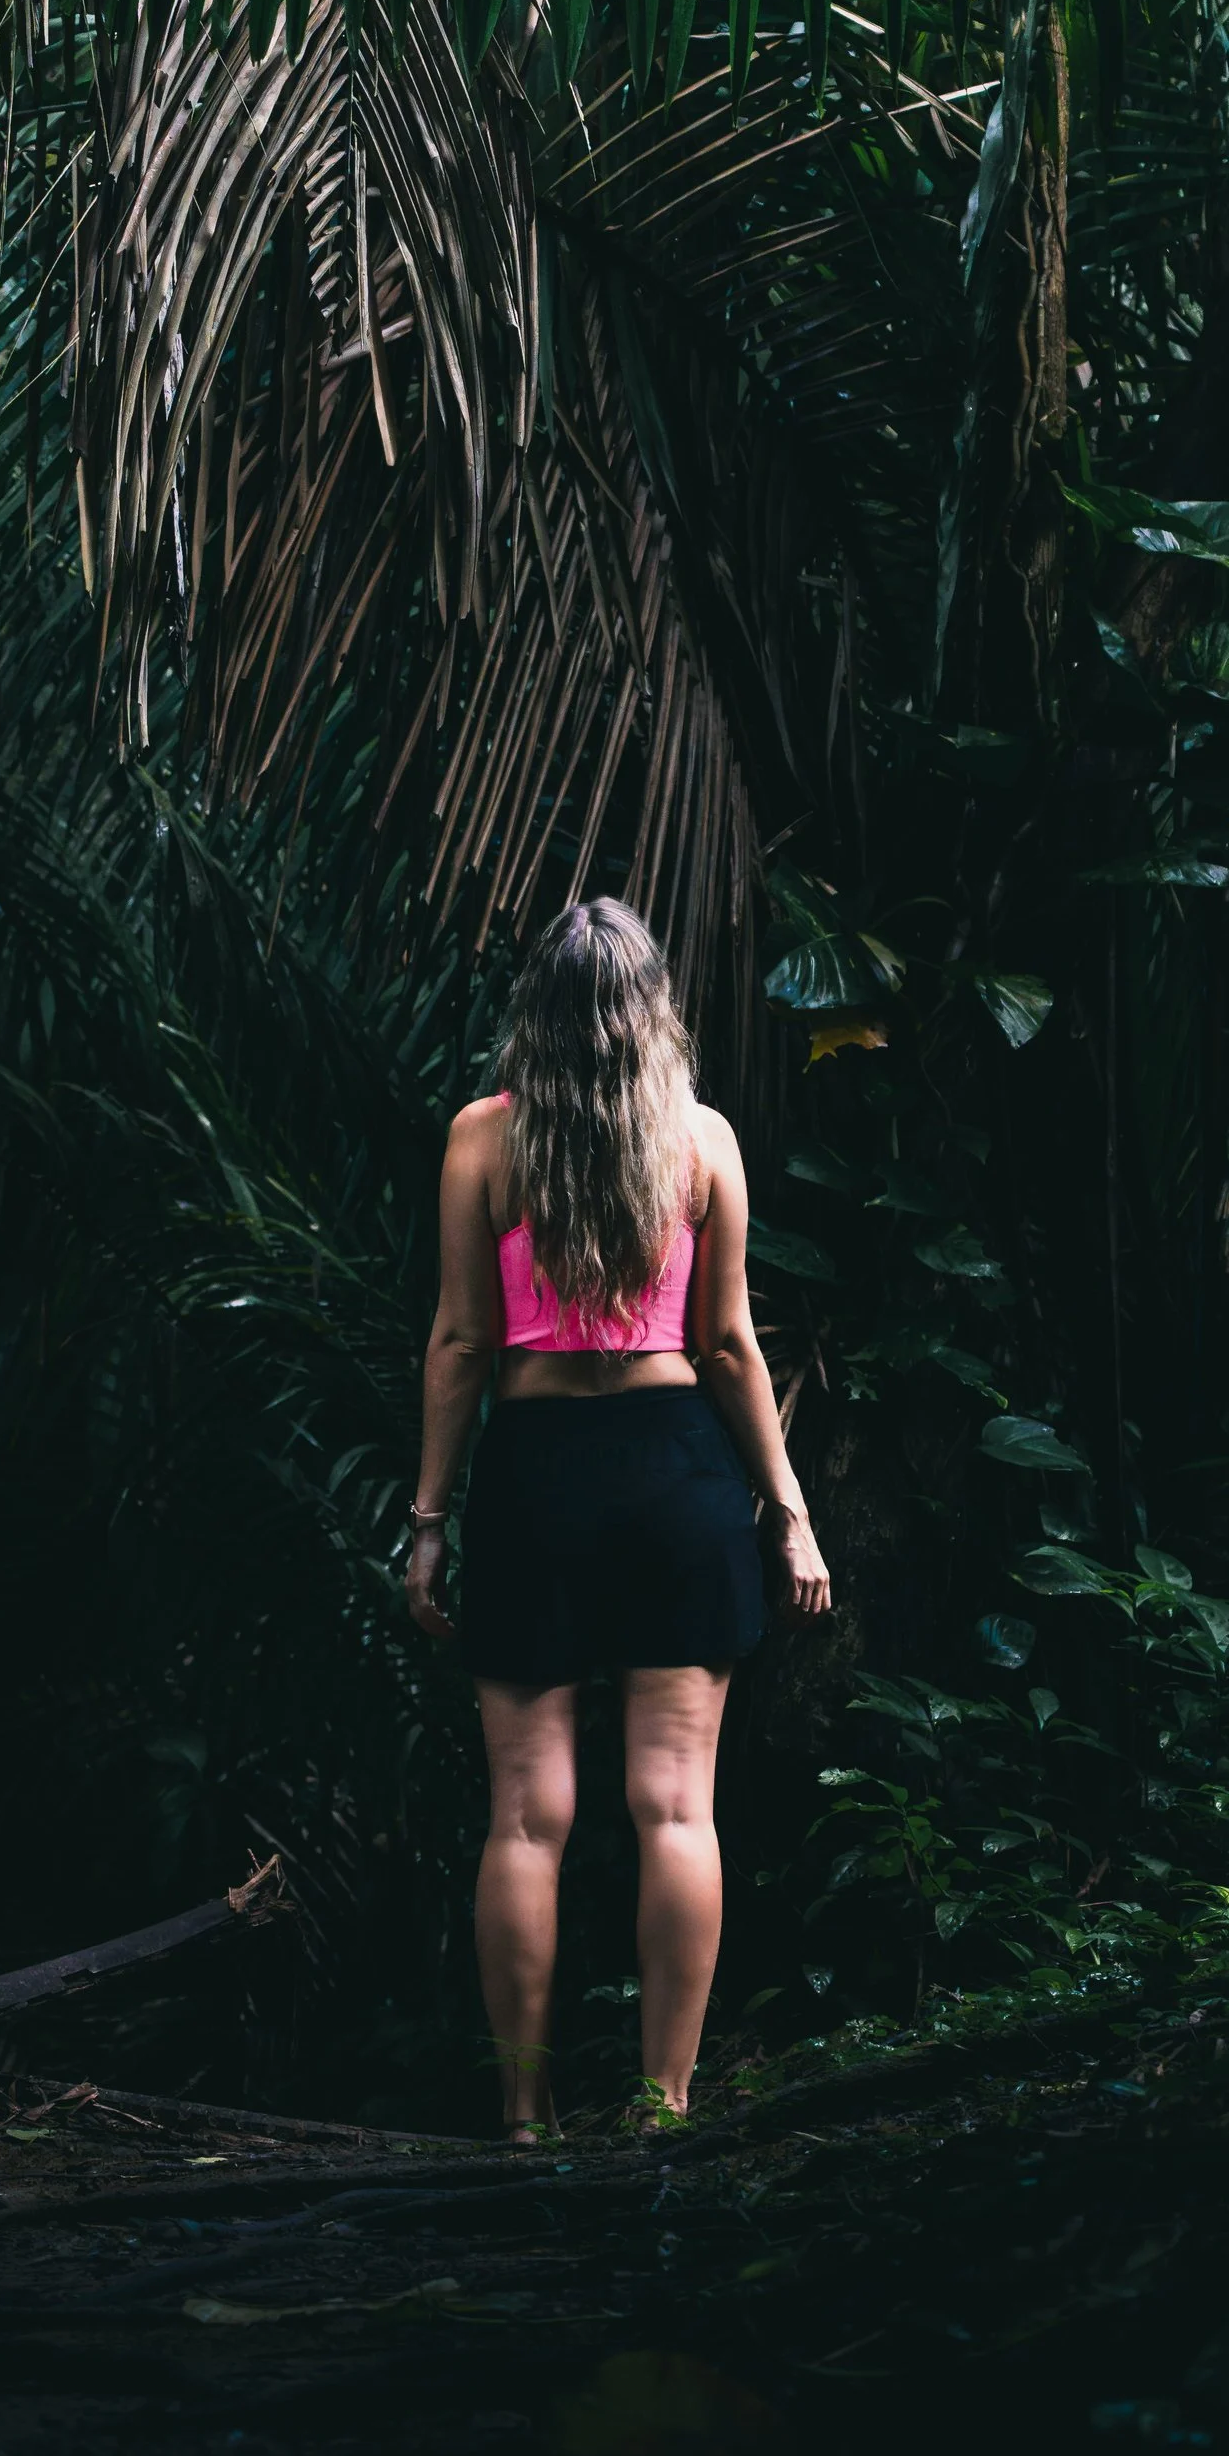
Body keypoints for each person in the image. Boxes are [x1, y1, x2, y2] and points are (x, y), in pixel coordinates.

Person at [403, 898, 832, 2139]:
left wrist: (429, 1521)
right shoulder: (702, 1142)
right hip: (675, 1475)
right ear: (652, 1012)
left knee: (527, 1819)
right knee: (675, 1808)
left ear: (536, 1009)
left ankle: (525, 2119)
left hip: (537, 1474)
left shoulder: (483, 1141)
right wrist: (790, 1514)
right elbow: (732, 1347)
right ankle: (662, 2110)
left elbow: (461, 1342)